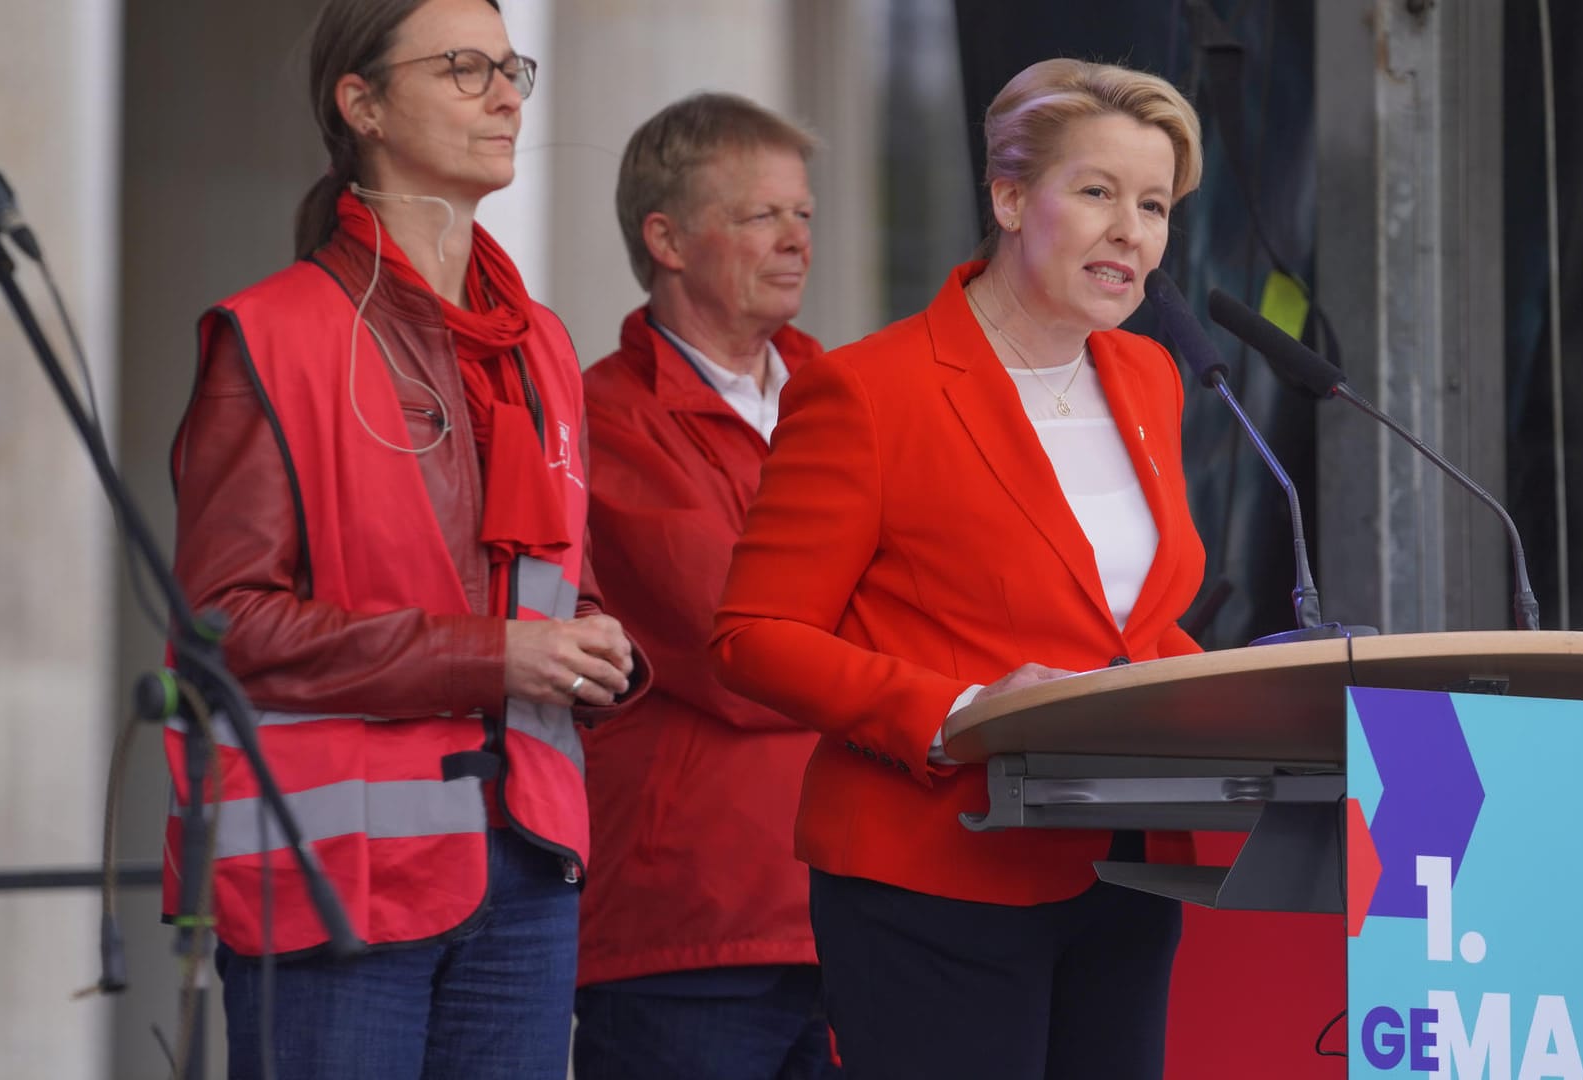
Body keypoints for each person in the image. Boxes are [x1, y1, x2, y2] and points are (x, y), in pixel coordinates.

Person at [164, 0, 646, 1076]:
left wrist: (604, 645)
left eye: (511, 66)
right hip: (337, 884)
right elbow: (222, 624)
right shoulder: (275, 332)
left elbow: (563, 587)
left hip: (526, 859)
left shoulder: (542, 344)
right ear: (363, 104)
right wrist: (493, 654)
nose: (508, 93)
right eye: (464, 68)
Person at [710, 58, 1208, 1079]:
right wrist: (964, 714)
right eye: (1098, 193)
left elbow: (1127, 623)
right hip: (936, 875)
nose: (1132, 232)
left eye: (1153, 204)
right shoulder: (868, 392)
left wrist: (1241, 699)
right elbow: (753, 638)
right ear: (1010, 196)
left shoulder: (1152, 376)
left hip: (1124, 870)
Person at [571, 92, 838, 1080]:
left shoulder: (847, 398)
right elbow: (744, 650)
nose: (795, 241)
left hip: (857, 906)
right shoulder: (603, 417)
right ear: (667, 238)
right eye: (762, 215)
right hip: (688, 929)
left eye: (804, 215)